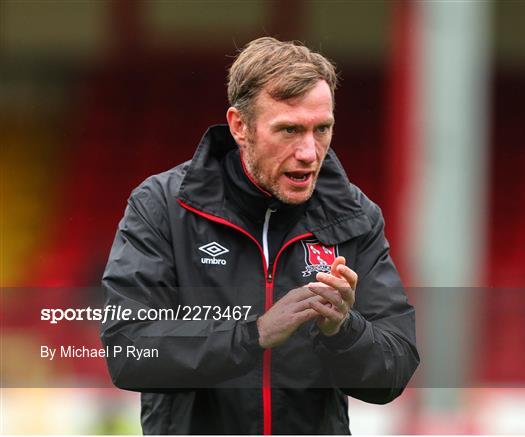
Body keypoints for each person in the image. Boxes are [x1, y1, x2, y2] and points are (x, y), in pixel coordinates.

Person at [101, 37, 419, 435]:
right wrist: (253, 334)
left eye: (322, 129)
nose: (309, 151)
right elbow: (128, 349)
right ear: (240, 126)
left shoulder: (355, 217)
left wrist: (343, 330)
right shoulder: (163, 206)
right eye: (289, 130)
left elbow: (395, 370)